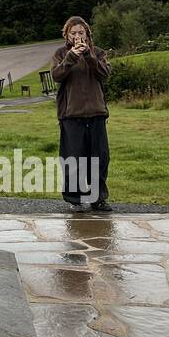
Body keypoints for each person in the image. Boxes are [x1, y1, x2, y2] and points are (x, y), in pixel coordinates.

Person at [51, 17, 113, 211]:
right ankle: (74, 200)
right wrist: (71, 57)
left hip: (96, 112)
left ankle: (98, 198)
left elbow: (105, 73)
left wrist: (88, 57)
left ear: (87, 34)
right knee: (73, 159)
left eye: (81, 33)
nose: (77, 37)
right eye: (73, 33)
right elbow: (56, 75)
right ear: (67, 36)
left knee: (99, 158)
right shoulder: (60, 54)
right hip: (71, 114)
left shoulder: (98, 53)